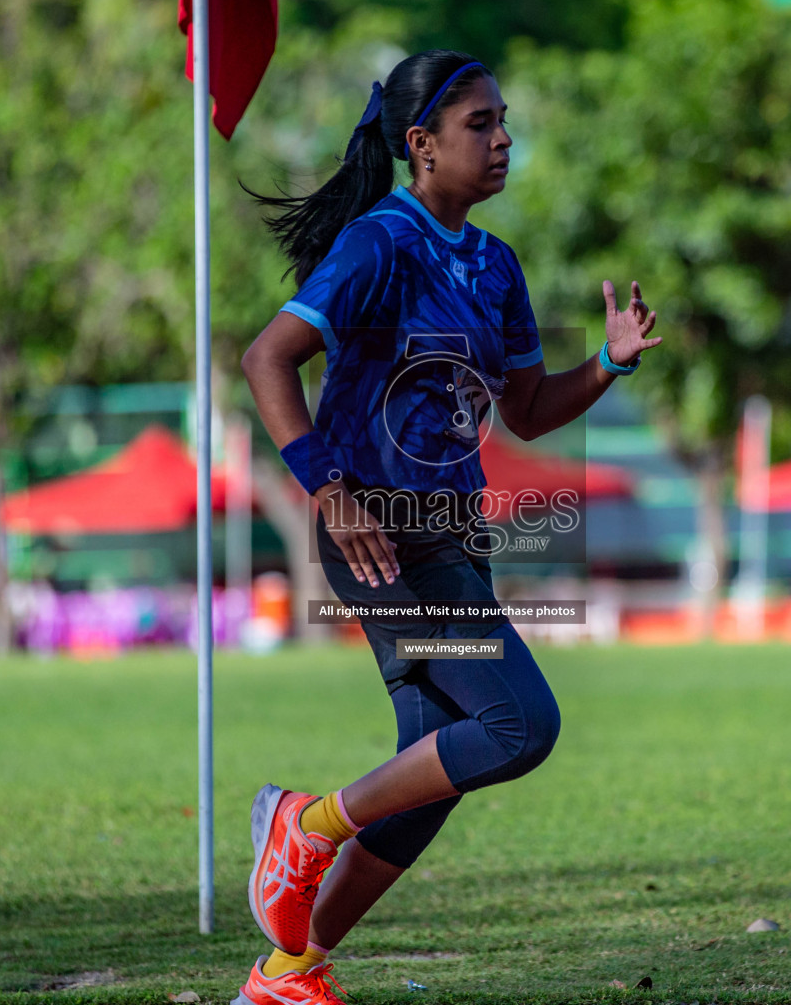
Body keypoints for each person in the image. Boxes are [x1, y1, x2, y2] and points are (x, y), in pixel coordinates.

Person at [236, 50, 662, 1005]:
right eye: (482, 124)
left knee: (432, 779)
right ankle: (307, 824)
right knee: (518, 724)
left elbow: (526, 410)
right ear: (420, 145)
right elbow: (269, 359)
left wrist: (609, 362)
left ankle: (285, 975)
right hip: (380, 537)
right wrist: (329, 490)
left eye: (505, 120)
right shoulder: (381, 242)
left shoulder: (496, 264)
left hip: (452, 538)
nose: (505, 138)